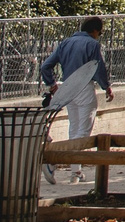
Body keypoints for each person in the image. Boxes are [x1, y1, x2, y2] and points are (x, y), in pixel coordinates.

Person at [40, 17, 114, 180]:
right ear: (95, 30)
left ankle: (76, 171)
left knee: (74, 127)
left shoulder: (65, 43)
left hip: (68, 88)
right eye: (99, 33)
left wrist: (52, 84)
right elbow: (99, 68)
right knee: (84, 130)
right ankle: (55, 160)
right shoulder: (92, 44)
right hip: (84, 87)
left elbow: (45, 66)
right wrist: (106, 87)